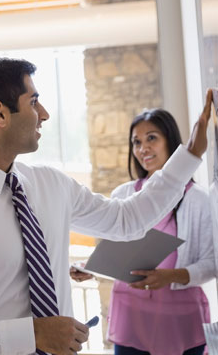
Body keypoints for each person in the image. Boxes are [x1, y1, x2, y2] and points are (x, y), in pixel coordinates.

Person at [0, 57, 215, 355]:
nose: (45, 114)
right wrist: (32, 334)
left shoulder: (51, 185)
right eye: (34, 101)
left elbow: (127, 220)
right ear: (0, 114)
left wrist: (188, 155)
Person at [70, 109, 214, 355]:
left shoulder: (198, 199)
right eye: (136, 142)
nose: (143, 148)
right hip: (130, 319)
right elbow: (115, 254)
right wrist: (91, 267)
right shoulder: (123, 196)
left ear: (170, 140)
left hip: (179, 321)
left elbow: (212, 263)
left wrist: (170, 276)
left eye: (151, 138)